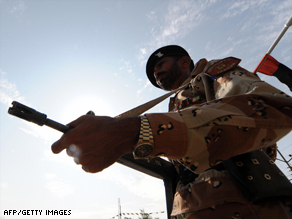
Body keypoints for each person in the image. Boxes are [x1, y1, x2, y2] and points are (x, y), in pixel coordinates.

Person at [51, 45, 292, 218]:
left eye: (160, 64)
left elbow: (275, 108)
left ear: (185, 62)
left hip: (244, 200)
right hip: (185, 205)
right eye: (154, 74)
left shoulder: (214, 74)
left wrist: (137, 130)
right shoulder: (174, 103)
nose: (156, 74)